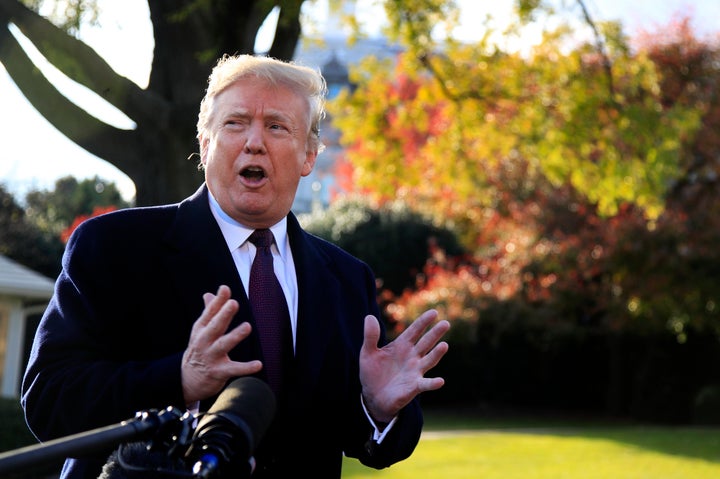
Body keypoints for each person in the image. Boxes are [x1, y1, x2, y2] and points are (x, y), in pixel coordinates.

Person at [21, 54, 450, 479]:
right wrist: (180, 380)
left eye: (277, 126)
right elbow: (48, 400)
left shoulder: (345, 278)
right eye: (235, 123)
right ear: (205, 146)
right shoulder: (114, 247)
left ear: (308, 156)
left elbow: (366, 442)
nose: (254, 141)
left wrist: (375, 409)